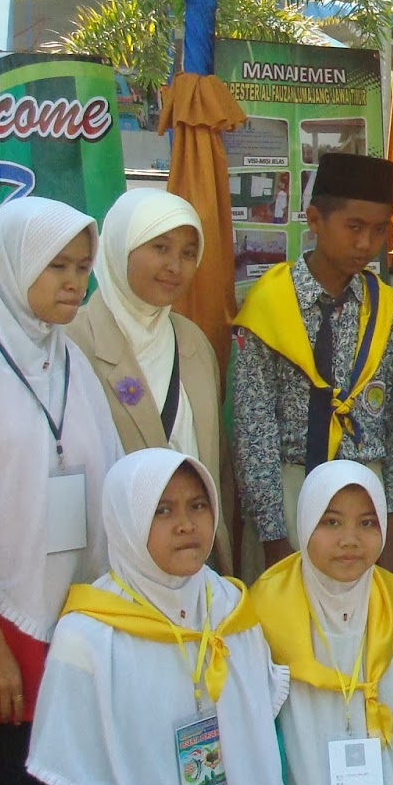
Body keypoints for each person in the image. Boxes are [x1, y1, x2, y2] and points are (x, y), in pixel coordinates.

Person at [26, 449, 287, 785]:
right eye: (162, 510)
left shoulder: (231, 609)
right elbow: (70, 768)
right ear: (126, 521)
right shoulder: (89, 636)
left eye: (198, 505)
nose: (186, 525)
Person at [0, 198, 122, 785]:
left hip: (75, 615)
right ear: (12, 265)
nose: (75, 283)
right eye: (57, 266)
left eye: (83, 267)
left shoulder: (69, 361)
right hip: (2, 625)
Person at [233, 151, 393, 581]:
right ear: (314, 220)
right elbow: (254, 428)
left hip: (366, 491)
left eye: (379, 230)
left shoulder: (385, 307)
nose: (366, 244)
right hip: (290, 487)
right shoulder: (269, 304)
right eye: (354, 227)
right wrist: (273, 534)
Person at [68, 188, 234, 571]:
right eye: (160, 248)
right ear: (120, 247)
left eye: (188, 253)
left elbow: (218, 461)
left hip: (195, 560)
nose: (175, 266)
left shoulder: (193, 342)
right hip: (113, 562)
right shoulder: (75, 343)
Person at [253, 460, 393, 785]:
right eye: (331, 522)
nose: (350, 540)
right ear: (305, 522)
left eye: (367, 523)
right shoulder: (265, 608)